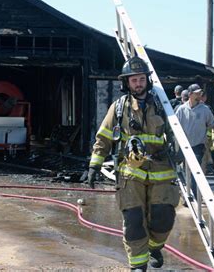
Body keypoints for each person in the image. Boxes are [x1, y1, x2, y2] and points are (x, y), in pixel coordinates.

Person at [87, 56, 178, 272]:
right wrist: (94, 165)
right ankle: (138, 265)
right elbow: (104, 137)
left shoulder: (163, 106)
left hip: (161, 172)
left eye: (141, 79)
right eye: (133, 80)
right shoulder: (118, 108)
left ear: (147, 79)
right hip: (130, 174)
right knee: (134, 221)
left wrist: (185, 152)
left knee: (163, 218)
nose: (138, 83)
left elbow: (177, 135)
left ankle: (155, 247)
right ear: (126, 83)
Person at [175, 84, 214, 197]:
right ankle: (186, 194)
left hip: (198, 145)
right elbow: (173, 127)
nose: (199, 95)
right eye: (196, 93)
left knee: (194, 171)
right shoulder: (181, 110)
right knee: (182, 171)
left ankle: (194, 196)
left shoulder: (204, 110)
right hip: (183, 146)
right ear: (190, 94)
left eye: (200, 93)